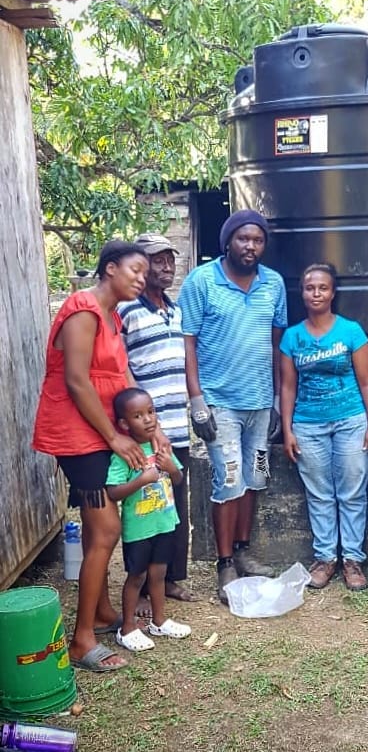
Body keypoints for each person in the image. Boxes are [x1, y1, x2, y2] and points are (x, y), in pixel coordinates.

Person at [32, 240, 169, 672]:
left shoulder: (111, 317)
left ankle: (104, 613)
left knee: (97, 534)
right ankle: (81, 639)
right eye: (135, 269)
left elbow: (124, 376)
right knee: (106, 531)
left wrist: (155, 432)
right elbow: (76, 380)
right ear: (110, 268)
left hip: (103, 433)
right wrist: (115, 438)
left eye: (145, 273)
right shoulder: (82, 308)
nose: (142, 278)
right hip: (79, 436)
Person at [178, 209, 287, 602]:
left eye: (258, 240)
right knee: (228, 481)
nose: (251, 246)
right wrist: (197, 402)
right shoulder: (202, 281)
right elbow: (187, 342)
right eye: (244, 239)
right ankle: (224, 562)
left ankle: (242, 551)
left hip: (259, 404)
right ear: (228, 241)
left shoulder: (273, 284)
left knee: (254, 479)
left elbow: (276, 345)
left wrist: (276, 399)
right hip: (219, 404)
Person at [280, 263, 368, 591]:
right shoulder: (292, 337)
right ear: (302, 293)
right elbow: (287, 388)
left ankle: (352, 559)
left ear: (333, 292)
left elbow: (367, 382)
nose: (316, 293)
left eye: (323, 287)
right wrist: (288, 430)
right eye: (310, 288)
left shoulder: (351, 331)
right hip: (308, 425)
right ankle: (325, 559)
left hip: (351, 420)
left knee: (352, 491)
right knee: (319, 493)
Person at [119, 233, 196, 609]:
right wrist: (147, 429)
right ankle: (140, 581)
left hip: (176, 426)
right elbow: (122, 368)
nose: (166, 267)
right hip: (143, 429)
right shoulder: (127, 310)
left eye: (170, 260)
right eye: (157, 260)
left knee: (174, 505)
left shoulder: (176, 310)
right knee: (143, 504)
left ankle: (169, 580)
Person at [106, 387, 191, 651]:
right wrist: (142, 479)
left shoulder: (162, 447)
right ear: (123, 423)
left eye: (151, 412)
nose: (148, 419)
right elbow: (112, 491)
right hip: (139, 529)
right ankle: (127, 628)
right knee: (136, 576)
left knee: (159, 574)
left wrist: (171, 467)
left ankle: (159, 621)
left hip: (164, 523)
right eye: (138, 415)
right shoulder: (126, 454)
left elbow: (177, 480)